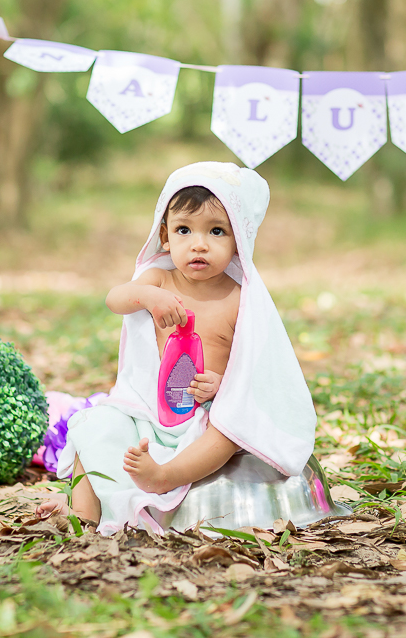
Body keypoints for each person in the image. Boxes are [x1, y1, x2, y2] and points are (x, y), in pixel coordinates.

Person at [36, 162, 316, 534]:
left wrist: (221, 386)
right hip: (152, 408)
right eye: (185, 230)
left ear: (238, 243)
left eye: (216, 231)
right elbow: (115, 298)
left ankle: (165, 477)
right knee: (97, 423)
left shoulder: (240, 300)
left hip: (207, 410)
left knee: (229, 432)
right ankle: (82, 510)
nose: (198, 243)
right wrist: (148, 296)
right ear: (165, 237)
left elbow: (253, 366)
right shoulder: (159, 279)